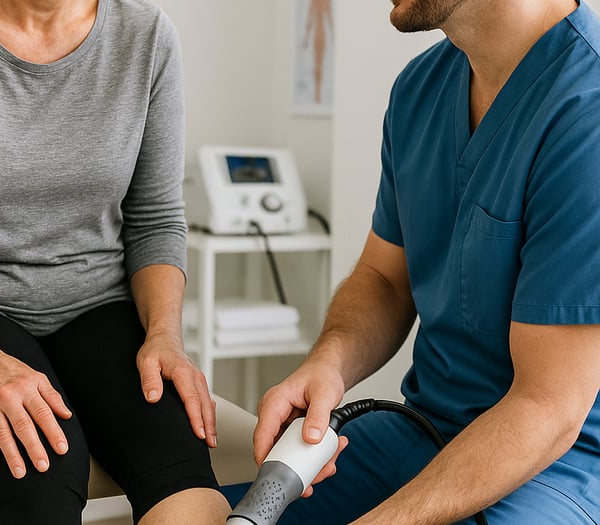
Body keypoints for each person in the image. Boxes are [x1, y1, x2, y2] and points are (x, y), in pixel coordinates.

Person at [0, 0, 231, 523]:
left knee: (178, 460)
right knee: (42, 463)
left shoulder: (146, 34)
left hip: (94, 307)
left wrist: (164, 335)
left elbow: (155, 220)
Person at [234, 0, 600, 523]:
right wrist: (328, 363)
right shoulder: (418, 90)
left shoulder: (587, 112)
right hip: (420, 430)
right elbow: (384, 280)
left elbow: (548, 408)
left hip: (553, 471)